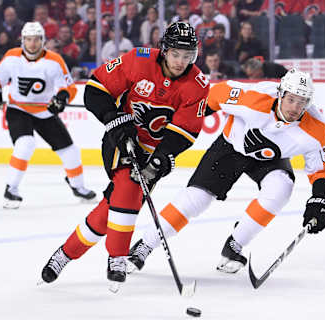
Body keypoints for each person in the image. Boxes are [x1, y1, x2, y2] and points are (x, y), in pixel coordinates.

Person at [40, 22, 210, 292]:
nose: (181, 62)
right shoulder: (138, 60)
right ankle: (117, 256)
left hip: (153, 152)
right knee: (129, 188)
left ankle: (64, 254)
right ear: (164, 50)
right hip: (121, 138)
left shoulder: (198, 83)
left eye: (187, 56)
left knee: (111, 209)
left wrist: (164, 156)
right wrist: (114, 119)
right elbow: (96, 89)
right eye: (176, 53)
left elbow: (186, 130)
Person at [127, 68, 325, 275]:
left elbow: (323, 169)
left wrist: (320, 199)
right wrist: (178, 122)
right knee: (196, 199)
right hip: (230, 149)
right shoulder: (254, 99)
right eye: (291, 99)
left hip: (270, 159)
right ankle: (144, 245)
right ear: (280, 93)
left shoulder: (317, 129)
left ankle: (235, 245)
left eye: (302, 102)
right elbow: (216, 94)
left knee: (281, 187)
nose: (295, 107)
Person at [0, 22, 96, 209]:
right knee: (25, 144)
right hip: (18, 109)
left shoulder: (55, 60)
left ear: (42, 40)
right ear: (23, 40)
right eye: (28, 39)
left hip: (44, 112)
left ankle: (78, 186)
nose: (32, 43)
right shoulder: (12, 57)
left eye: (36, 39)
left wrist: (61, 99)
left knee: (70, 151)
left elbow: (67, 86)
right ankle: (11, 189)